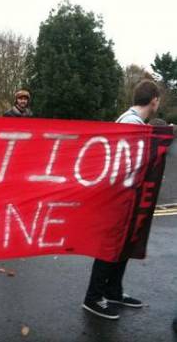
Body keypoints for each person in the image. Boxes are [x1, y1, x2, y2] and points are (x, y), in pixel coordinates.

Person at [82, 80, 161, 320]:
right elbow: (123, 164)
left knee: (123, 245)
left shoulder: (136, 122)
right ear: (154, 100)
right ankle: (93, 298)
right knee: (110, 246)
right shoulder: (130, 123)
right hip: (118, 197)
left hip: (127, 198)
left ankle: (112, 291)